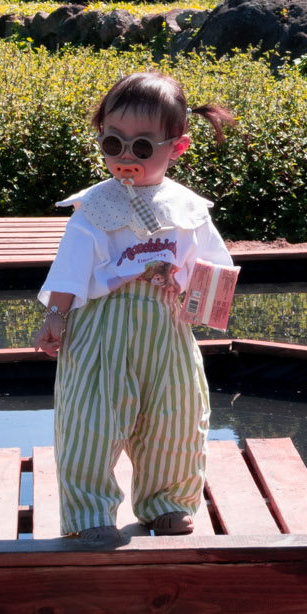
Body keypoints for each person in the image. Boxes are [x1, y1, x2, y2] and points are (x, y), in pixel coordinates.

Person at [33, 70, 235, 541]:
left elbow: (212, 267)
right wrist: (56, 317)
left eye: (142, 147)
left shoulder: (187, 208)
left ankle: (166, 501)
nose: (126, 157)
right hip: (102, 326)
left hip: (165, 329)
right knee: (92, 420)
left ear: (176, 148)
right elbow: (71, 267)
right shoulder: (94, 207)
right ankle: (90, 514)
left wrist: (191, 291)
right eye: (113, 143)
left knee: (176, 414)